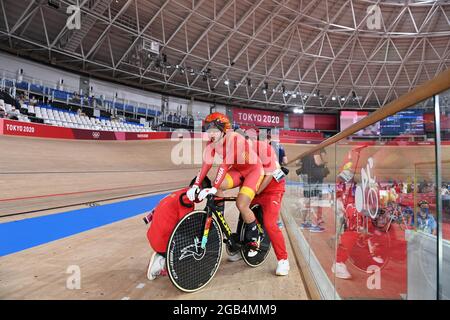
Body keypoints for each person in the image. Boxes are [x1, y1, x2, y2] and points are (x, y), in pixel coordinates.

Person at [187, 112, 264, 256]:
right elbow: (206, 164)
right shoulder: (211, 142)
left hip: (253, 171)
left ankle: (255, 237)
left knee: (241, 204)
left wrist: (213, 187)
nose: (211, 134)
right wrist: (196, 184)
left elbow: (224, 165)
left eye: (214, 130)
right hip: (238, 170)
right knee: (217, 187)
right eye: (208, 130)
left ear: (223, 130)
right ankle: (220, 219)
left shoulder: (235, 139)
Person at [228, 131, 290, 276]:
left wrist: (254, 192)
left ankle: (283, 260)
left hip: (272, 189)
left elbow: (269, 175)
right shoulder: (237, 153)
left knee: (270, 224)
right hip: (256, 187)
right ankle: (242, 246)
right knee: (243, 213)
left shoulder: (263, 148)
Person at [145, 176, 212, 280]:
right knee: (194, 242)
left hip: (154, 237)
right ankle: (162, 262)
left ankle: (163, 255)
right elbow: (186, 227)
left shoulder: (180, 193)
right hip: (162, 241)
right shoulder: (186, 199)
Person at [296, 148, 329, 232]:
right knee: (315, 199)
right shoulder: (317, 150)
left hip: (306, 177)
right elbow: (318, 162)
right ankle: (315, 224)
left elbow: (297, 162)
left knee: (308, 199)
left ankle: (304, 222)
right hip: (315, 177)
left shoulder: (306, 151)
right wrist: (324, 162)